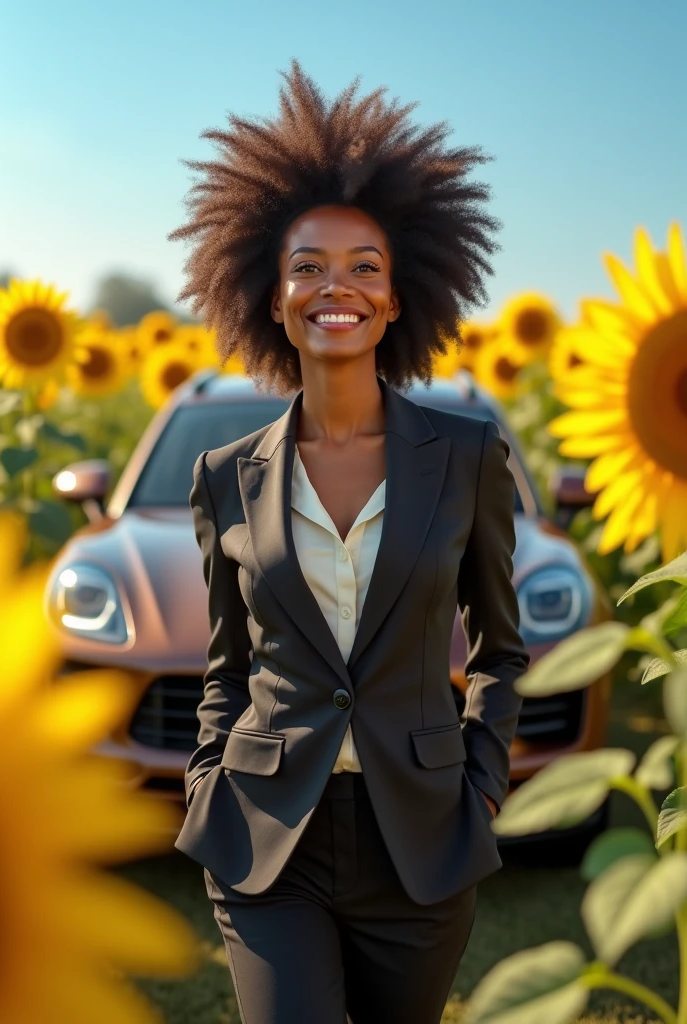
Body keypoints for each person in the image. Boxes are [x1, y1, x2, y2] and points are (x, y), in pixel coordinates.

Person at [171, 60, 529, 1024]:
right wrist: (211, 777)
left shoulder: (466, 457)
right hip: (265, 833)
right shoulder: (224, 477)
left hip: (419, 836)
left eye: (365, 267)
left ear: (400, 297)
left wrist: (480, 785)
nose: (339, 287)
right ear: (273, 297)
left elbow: (500, 647)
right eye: (309, 267)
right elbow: (227, 667)